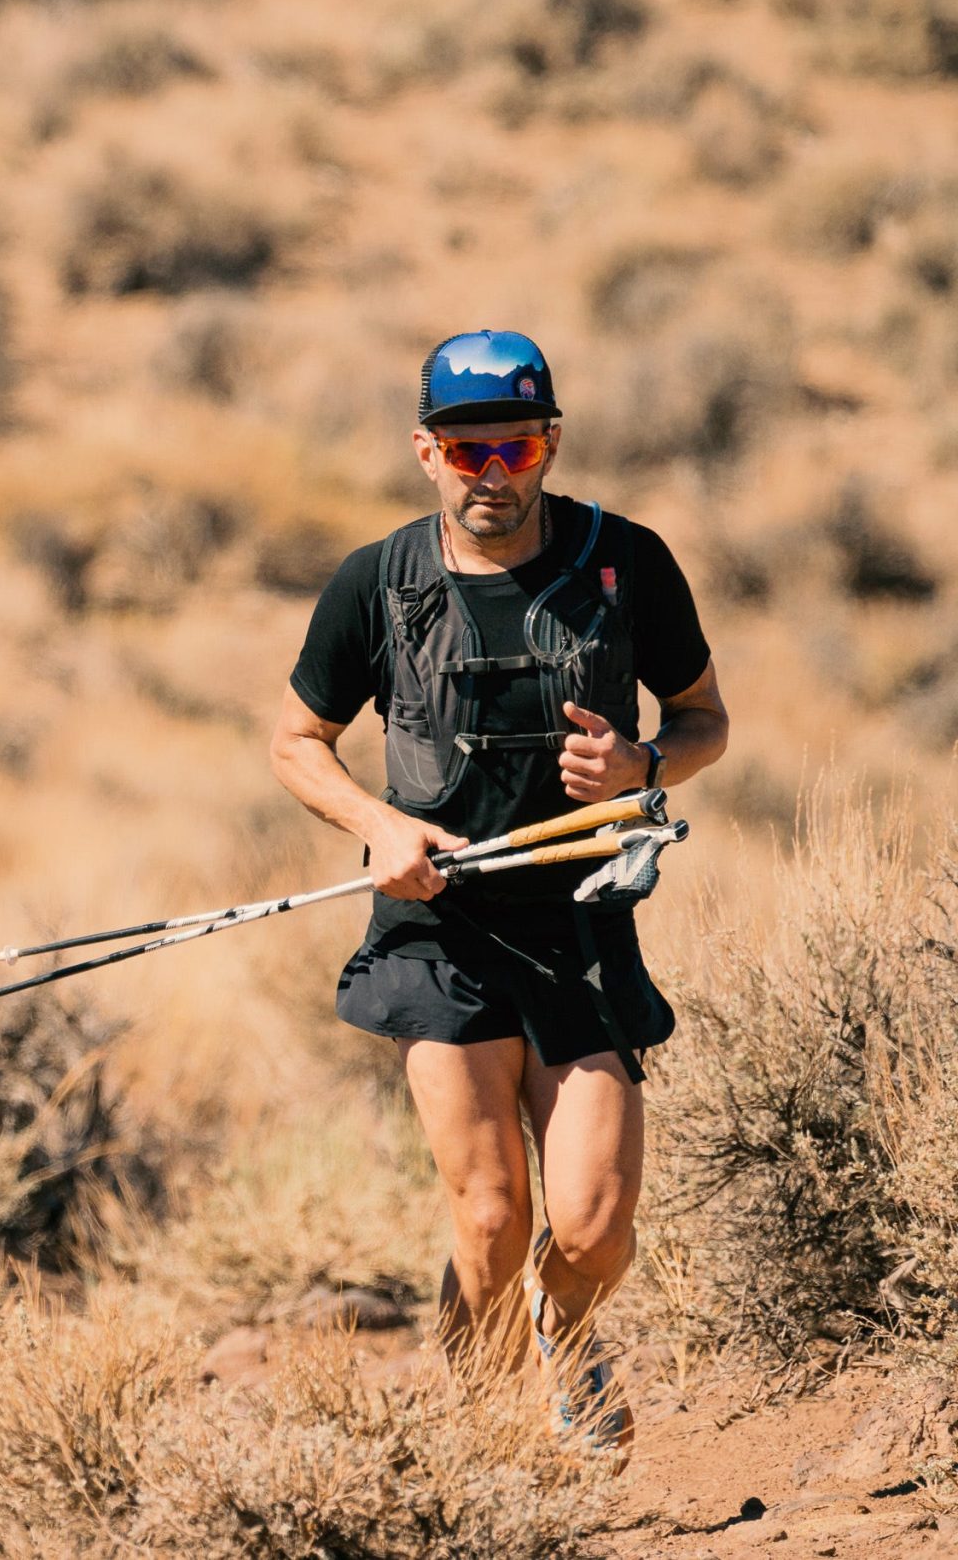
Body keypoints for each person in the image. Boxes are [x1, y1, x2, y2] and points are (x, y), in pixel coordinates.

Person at [269, 329, 729, 1451]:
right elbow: (294, 741)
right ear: (425, 453)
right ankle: (483, 1451)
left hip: (579, 926)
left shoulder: (626, 563)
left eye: (513, 447)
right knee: (487, 1214)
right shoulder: (375, 582)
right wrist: (378, 826)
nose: (492, 473)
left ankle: (564, 1332)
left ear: (550, 445)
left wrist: (642, 767)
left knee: (595, 1224)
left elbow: (705, 717)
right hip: (437, 928)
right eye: (465, 451)